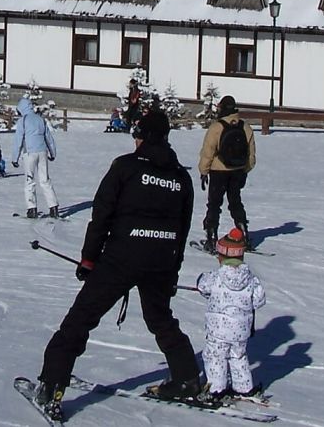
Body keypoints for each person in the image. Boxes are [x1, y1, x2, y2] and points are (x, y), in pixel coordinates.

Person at [31, 110, 201, 421]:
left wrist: (88, 259)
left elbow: (102, 216)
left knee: (80, 320)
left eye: (137, 135)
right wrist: (172, 273)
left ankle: (50, 387)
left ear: (142, 137)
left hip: (121, 258)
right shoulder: (181, 177)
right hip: (161, 262)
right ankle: (187, 377)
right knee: (161, 320)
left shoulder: (125, 167)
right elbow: (183, 228)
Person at [196, 227, 267, 402]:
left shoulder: (216, 276)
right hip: (241, 331)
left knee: (216, 356)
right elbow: (259, 300)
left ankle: (216, 389)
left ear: (222, 256)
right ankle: (244, 388)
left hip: (218, 330)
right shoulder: (251, 279)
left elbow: (203, 287)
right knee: (238, 356)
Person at [197, 95, 256, 253]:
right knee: (235, 202)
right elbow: (251, 156)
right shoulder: (245, 127)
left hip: (218, 171)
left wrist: (204, 171)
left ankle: (212, 237)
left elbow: (207, 152)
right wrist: (244, 170)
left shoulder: (217, 127)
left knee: (214, 204)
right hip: (237, 171)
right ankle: (243, 233)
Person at [12, 97, 58, 218]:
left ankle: (31, 208)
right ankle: (53, 207)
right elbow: (48, 138)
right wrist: (52, 153)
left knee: (29, 181)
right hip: (42, 152)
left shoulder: (23, 120)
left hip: (29, 153)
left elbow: (18, 140)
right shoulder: (40, 119)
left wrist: (14, 158)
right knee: (45, 180)